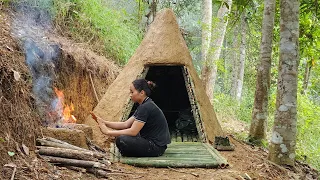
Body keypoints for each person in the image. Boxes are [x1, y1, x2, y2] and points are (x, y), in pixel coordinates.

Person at [91, 79, 171, 157]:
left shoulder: (146, 107)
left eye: (132, 92)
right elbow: (125, 124)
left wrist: (108, 132)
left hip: (156, 147)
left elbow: (133, 132)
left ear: (142, 93)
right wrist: (104, 122)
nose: (130, 94)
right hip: (156, 145)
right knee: (122, 138)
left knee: (122, 139)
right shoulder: (145, 105)